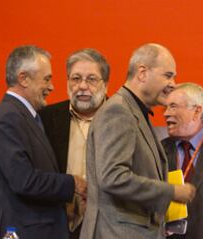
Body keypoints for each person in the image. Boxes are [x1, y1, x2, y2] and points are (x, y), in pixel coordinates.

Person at [0, 48, 110, 239]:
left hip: (105, 227)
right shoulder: (44, 117)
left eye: (91, 79)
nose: (82, 86)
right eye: (75, 78)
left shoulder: (121, 121)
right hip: (59, 227)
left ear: (105, 85)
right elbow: (26, 168)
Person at [80, 43, 196, 239]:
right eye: (168, 75)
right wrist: (171, 191)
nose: (173, 83)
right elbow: (113, 177)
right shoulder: (118, 111)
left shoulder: (135, 112)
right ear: (142, 73)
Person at [162, 83, 203, 239]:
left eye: (173, 107)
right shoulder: (158, 151)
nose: (166, 114)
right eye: (165, 108)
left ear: (197, 111)